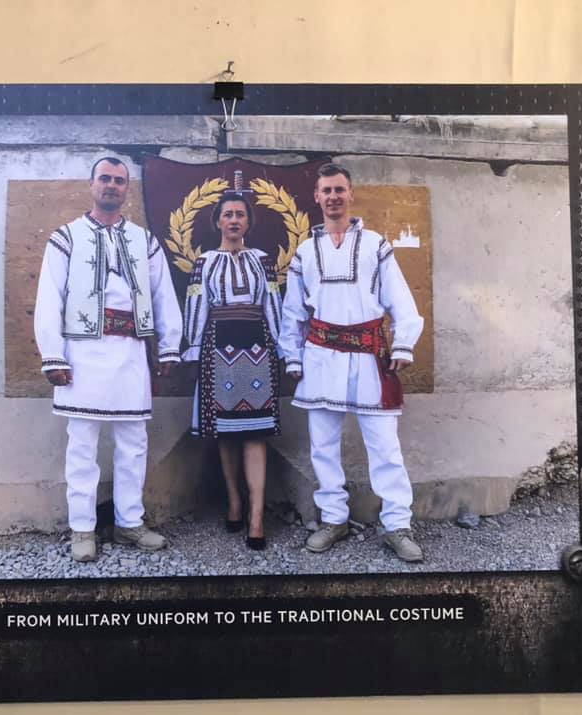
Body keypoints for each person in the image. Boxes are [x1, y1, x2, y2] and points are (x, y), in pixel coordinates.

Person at [34, 157, 183, 562]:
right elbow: (49, 298)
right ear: (92, 185)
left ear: (126, 188)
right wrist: (53, 355)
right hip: (83, 354)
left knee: (133, 443)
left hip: (131, 352)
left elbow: (163, 295)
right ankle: (82, 528)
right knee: (82, 445)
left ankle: (129, 522)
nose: (112, 185)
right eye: (105, 179)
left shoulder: (144, 241)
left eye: (119, 180)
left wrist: (169, 346)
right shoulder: (66, 237)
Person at [278, 163, 425, 562]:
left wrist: (403, 344)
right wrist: (292, 355)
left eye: (339, 189)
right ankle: (333, 518)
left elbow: (401, 299)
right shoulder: (306, 252)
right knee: (323, 446)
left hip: (368, 357)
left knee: (385, 447)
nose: (333, 197)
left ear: (351, 193)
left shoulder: (375, 245)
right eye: (326, 190)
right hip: (321, 357)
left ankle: (397, 525)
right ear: (317, 197)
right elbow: (293, 312)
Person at [182, 191, 283, 550]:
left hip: (257, 347)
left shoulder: (263, 261)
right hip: (218, 348)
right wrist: (193, 348)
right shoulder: (204, 262)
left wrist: (283, 348)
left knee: (256, 433)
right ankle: (234, 501)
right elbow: (196, 303)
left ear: (248, 222)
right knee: (226, 432)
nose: (234, 220)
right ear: (218, 222)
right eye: (228, 214)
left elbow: (273, 302)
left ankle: (256, 517)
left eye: (240, 214)